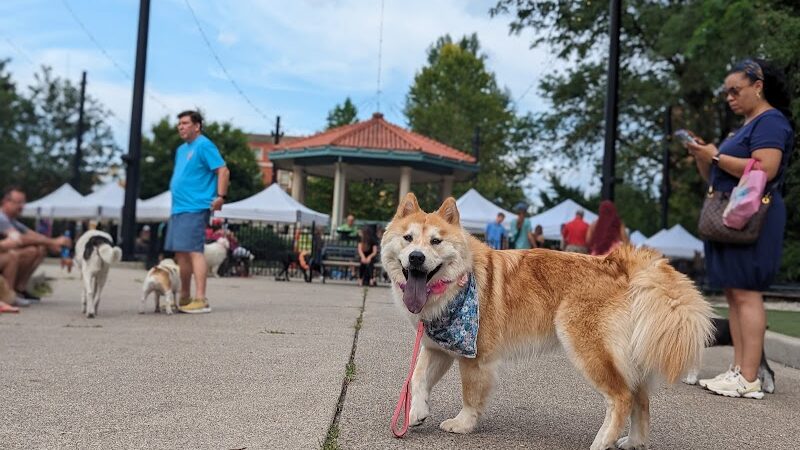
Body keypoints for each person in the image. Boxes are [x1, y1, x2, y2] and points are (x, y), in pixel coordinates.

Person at [682, 59, 793, 399]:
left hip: (753, 218)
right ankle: (739, 368)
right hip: (731, 216)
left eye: (736, 90)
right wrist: (705, 157)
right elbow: (715, 177)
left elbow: (767, 167)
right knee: (734, 292)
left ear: (758, 85)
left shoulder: (770, 121)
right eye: (726, 92)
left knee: (747, 293)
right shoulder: (744, 126)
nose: (729, 97)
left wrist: (716, 156)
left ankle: (749, 376)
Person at [165, 110, 230, 314]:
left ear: (197, 126)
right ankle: (185, 296)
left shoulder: (204, 144)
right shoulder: (181, 150)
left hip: (195, 206)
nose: (181, 127)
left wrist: (221, 196)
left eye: (185, 123)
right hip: (178, 208)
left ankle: (201, 299)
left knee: (194, 251)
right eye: (179, 124)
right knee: (181, 253)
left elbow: (223, 170)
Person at [0, 186, 71, 304]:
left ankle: (19, 290)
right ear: (5, 202)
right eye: (18, 202)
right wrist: (54, 241)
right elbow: (19, 239)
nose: (21, 206)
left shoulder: (12, 221)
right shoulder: (1, 218)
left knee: (40, 248)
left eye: (23, 202)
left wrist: (62, 252)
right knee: (14, 255)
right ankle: (9, 295)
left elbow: (35, 236)